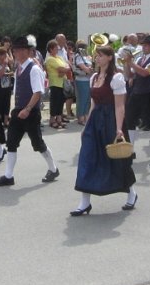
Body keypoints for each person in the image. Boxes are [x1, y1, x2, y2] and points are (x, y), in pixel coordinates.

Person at [71, 45, 137, 215]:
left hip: (111, 121)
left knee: (117, 160)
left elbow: (120, 106)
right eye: (96, 56)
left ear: (109, 57)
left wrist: (119, 129)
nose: (97, 58)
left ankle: (132, 193)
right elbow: (93, 104)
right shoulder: (93, 77)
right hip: (95, 121)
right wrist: (87, 125)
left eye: (100, 55)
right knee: (87, 158)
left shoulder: (116, 77)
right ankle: (84, 202)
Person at [0, 36, 60, 186]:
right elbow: (17, 91)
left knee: (38, 144)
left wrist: (28, 109)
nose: (15, 53)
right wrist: (15, 109)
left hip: (31, 112)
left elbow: (38, 92)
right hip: (18, 111)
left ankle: (53, 169)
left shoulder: (34, 69)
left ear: (26, 51)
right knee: (11, 143)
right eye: (15, 50)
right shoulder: (18, 68)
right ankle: (8, 176)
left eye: (18, 50)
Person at [44, 39, 70, 129]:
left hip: (61, 82)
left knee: (60, 101)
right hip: (54, 83)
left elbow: (67, 66)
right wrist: (63, 70)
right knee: (54, 102)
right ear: (51, 49)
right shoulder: (50, 59)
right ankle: (52, 120)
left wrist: (63, 70)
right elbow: (62, 68)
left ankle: (59, 119)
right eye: (55, 48)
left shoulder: (59, 57)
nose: (57, 50)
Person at [72, 40, 93, 125]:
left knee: (88, 99)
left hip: (88, 79)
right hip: (81, 80)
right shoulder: (78, 56)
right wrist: (89, 69)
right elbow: (85, 68)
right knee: (83, 99)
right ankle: (81, 118)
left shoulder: (85, 56)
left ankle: (86, 116)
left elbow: (90, 67)